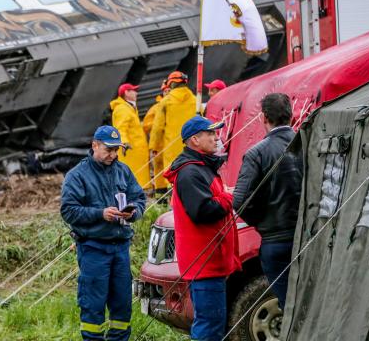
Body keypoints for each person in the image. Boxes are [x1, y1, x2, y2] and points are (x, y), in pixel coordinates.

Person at [61, 125, 146, 341]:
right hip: (93, 248)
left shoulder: (123, 170)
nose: (113, 154)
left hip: (121, 248)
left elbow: (140, 198)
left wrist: (133, 212)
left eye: (117, 149)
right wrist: (100, 214)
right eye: (108, 149)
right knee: (93, 303)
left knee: (122, 303)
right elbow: (68, 210)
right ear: (94, 145)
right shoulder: (77, 175)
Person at [164, 116, 241, 341]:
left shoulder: (201, 168)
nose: (216, 138)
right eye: (211, 134)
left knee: (212, 323)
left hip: (210, 261)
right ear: (195, 140)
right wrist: (229, 197)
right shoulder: (190, 172)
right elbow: (203, 210)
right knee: (209, 325)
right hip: (204, 262)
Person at [232, 93, 301, 310]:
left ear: (264, 118)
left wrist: (261, 221)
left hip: (276, 239)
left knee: (289, 306)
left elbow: (240, 200)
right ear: (290, 115)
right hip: (309, 235)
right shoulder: (309, 143)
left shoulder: (257, 153)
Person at [149, 71, 197, 176]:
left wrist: (154, 147)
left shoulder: (166, 101)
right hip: (193, 146)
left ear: (171, 84)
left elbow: (158, 127)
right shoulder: (195, 100)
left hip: (172, 149)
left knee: (174, 178)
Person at [110, 83, 150, 189]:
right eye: (133, 90)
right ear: (126, 93)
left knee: (135, 179)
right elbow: (120, 128)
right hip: (130, 151)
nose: (136, 93)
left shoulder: (129, 108)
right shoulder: (122, 109)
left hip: (134, 150)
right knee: (132, 180)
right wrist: (124, 142)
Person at [144, 80, 170, 196]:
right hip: (159, 146)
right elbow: (146, 125)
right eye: (165, 91)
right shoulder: (156, 108)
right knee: (159, 171)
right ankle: (161, 197)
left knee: (169, 170)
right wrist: (158, 124)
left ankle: (168, 196)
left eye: (169, 90)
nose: (167, 93)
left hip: (170, 144)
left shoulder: (174, 106)